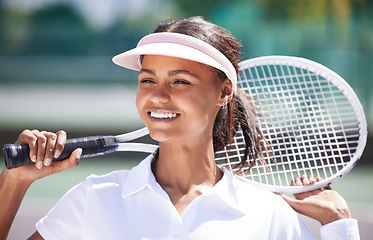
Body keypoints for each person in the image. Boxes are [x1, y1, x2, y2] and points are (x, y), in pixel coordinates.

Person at [0, 16, 359, 240]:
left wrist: (340, 226)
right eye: (147, 80)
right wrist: (14, 183)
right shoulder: (95, 198)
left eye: (181, 81)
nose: (158, 96)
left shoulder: (269, 215)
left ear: (223, 92)